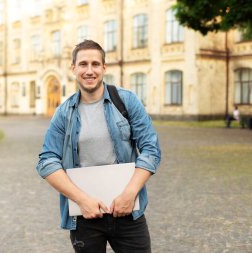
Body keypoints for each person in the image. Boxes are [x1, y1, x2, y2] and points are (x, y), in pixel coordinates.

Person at [36, 40, 161, 253]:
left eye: (95, 64)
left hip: (128, 211)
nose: (89, 70)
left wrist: (130, 194)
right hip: (85, 216)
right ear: (73, 68)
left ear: (104, 68)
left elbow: (151, 149)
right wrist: (82, 200)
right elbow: (47, 161)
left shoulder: (126, 101)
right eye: (83, 64)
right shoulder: (63, 113)